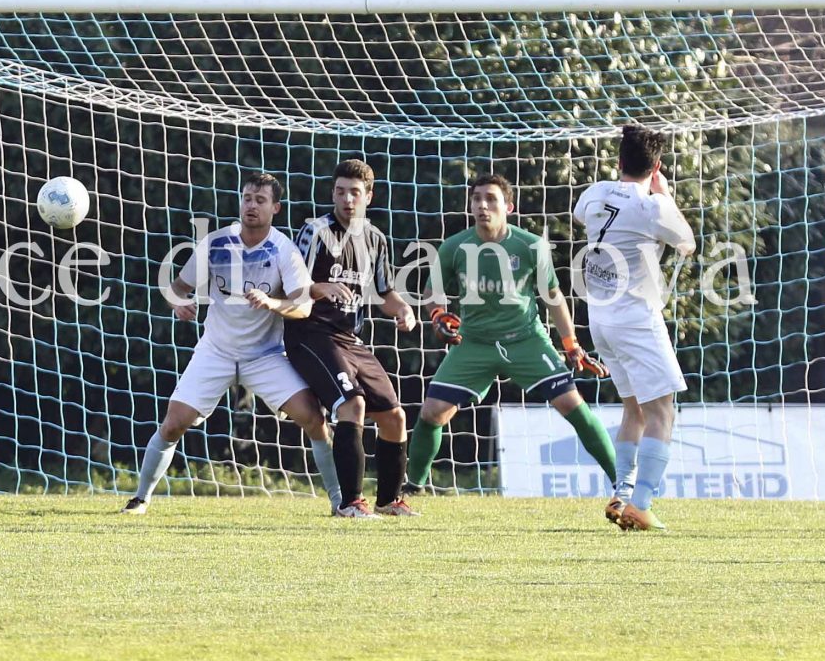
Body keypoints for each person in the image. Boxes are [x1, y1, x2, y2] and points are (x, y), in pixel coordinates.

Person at [121, 172, 342, 515]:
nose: (251, 205)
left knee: (314, 419)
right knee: (174, 423)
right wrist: (178, 303)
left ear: (275, 208)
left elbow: (303, 307)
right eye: (247, 198)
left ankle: (340, 502)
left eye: (260, 200)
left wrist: (272, 303)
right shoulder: (216, 243)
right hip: (217, 351)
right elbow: (177, 287)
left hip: (265, 356)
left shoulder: (283, 249)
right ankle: (140, 498)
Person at [406, 173, 617, 499]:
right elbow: (432, 292)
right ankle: (413, 486)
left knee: (572, 405)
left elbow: (553, 297)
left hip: (526, 341)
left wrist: (571, 344)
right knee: (433, 411)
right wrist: (438, 316)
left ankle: (623, 484)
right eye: (477, 199)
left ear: (509, 206)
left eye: (491, 199)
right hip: (474, 343)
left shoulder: (530, 245)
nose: (482, 205)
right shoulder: (455, 246)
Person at [574, 125, 696, 531]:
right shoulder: (653, 207)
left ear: (619, 161)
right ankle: (641, 505)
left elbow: (579, 216)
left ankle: (622, 493)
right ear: (656, 166)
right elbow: (687, 243)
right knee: (662, 411)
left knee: (635, 409)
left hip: (601, 320)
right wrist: (664, 194)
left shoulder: (594, 193)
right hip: (636, 319)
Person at [287, 159, 419, 519]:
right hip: (311, 334)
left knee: (394, 416)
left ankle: (389, 501)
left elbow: (385, 292)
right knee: (353, 405)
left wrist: (403, 309)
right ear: (332, 193)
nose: (347, 199)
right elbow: (291, 285)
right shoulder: (314, 231)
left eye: (355, 193)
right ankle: (349, 503)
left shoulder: (376, 239)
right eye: (341, 192)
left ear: (369, 197)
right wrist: (319, 288)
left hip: (350, 338)